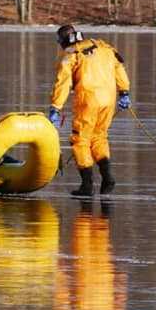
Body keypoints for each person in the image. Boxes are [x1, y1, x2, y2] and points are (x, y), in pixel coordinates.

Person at [48, 24, 131, 197]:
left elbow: (63, 83)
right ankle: (108, 178)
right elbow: (119, 68)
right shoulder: (103, 47)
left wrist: (55, 107)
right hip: (108, 98)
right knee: (99, 137)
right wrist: (124, 92)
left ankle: (87, 185)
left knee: (81, 140)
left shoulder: (71, 54)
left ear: (63, 41)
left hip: (88, 99)